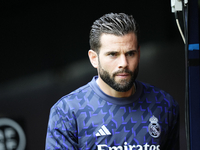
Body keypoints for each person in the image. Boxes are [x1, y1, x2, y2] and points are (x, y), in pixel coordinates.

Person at [45, 13, 179, 150]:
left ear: (139, 54)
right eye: (113, 54)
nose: (124, 63)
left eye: (130, 53)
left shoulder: (164, 105)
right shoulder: (67, 112)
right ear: (93, 58)